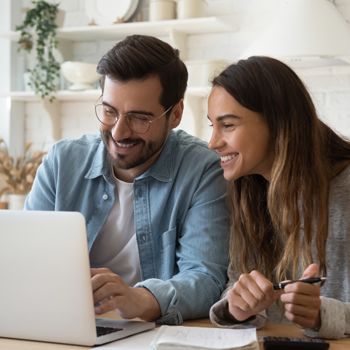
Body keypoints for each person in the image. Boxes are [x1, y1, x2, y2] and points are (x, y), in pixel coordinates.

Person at [25, 35, 229, 325]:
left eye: (139, 118)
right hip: (64, 324)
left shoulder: (202, 171)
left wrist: (141, 299)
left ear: (176, 114)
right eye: (109, 111)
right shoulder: (62, 162)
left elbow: (206, 278)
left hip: (151, 333)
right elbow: (25, 261)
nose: (119, 133)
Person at [207, 56, 350, 339]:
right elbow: (237, 281)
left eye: (228, 125)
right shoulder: (248, 189)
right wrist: (238, 308)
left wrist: (324, 314)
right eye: (212, 124)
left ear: (277, 123)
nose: (212, 142)